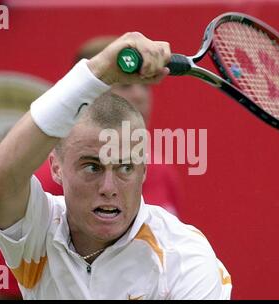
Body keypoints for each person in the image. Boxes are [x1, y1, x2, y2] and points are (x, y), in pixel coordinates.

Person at [0, 32, 231, 299]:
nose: (109, 188)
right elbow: (0, 179)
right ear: (56, 168)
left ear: (143, 169)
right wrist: (98, 69)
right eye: (92, 167)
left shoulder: (186, 258)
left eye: (125, 168)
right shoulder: (39, 228)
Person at [35, 36, 181, 215]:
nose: (140, 96)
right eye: (125, 86)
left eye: (145, 86)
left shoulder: (160, 171)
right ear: (86, 93)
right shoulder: (47, 177)